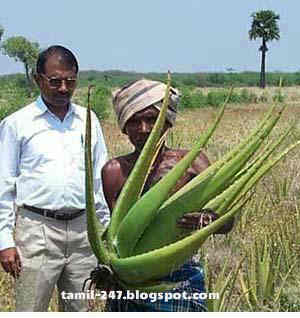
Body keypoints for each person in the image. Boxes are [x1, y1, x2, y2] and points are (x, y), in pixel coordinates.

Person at [102, 79, 233, 312]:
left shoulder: (192, 163)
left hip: (180, 275)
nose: (144, 129)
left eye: (152, 119)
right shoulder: (114, 171)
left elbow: (227, 221)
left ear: (168, 121)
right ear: (124, 127)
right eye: (134, 121)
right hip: (129, 281)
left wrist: (210, 221)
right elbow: (117, 239)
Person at [0, 45, 110, 311]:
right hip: (37, 230)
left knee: (80, 308)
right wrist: (4, 241)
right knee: (30, 308)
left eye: (70, 81)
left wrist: (106, 230)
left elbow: (99, 178)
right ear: (38, 79)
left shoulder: (88, 119)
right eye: (55, 81)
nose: (63, 88)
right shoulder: (18, 123)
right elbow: (3, 185)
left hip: (84, 232)